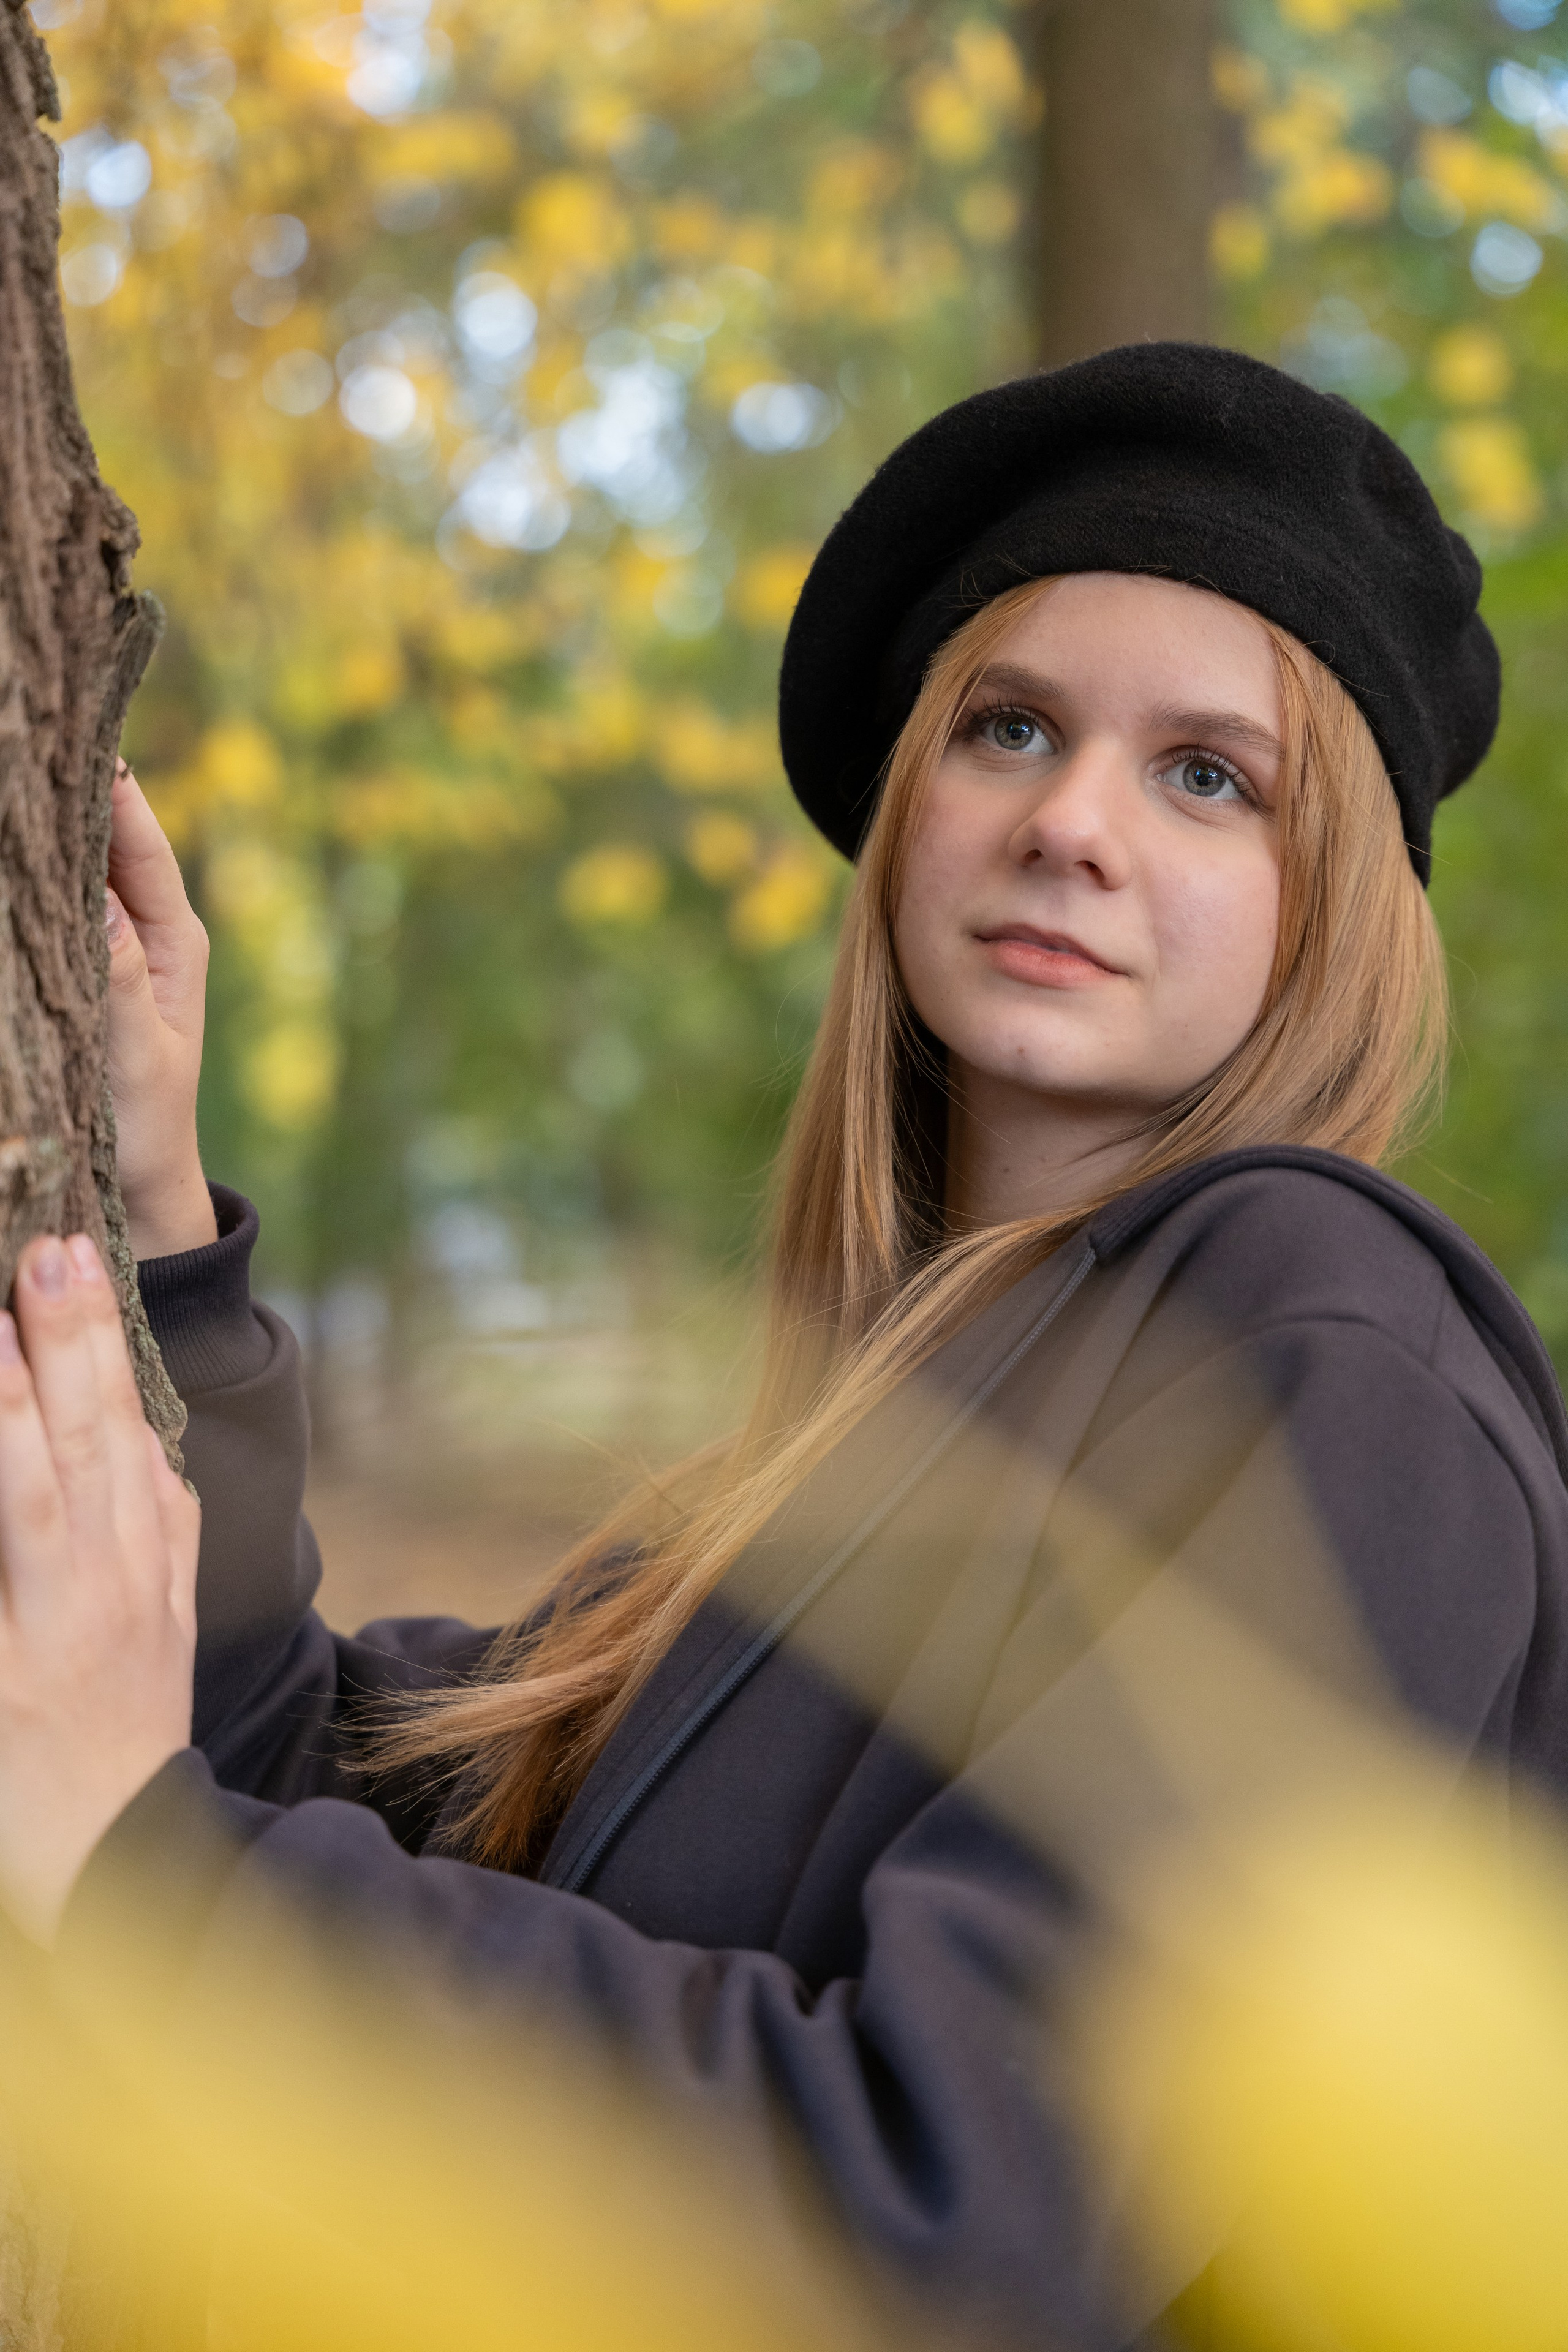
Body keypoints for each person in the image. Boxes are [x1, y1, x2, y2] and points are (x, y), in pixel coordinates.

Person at [0, 343, 1565, 2349]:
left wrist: (149, 1882)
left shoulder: (1335, 1357)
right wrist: (154, 1231)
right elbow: (311, 1783)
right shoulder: (855, 1464)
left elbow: (946, 2213)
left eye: (1209, 775)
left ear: (1327, 904)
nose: (1072, 821)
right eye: (1010, 728)